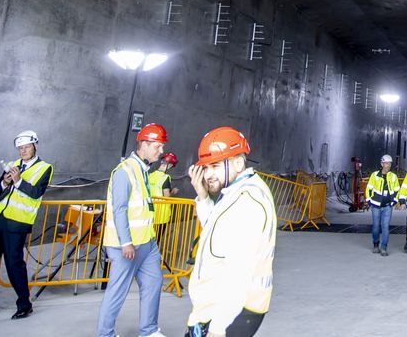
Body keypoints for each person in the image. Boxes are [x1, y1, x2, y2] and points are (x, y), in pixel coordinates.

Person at [184, 126, 276, 337]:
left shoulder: (248, 201)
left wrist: (218, 330)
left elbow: (238, 274)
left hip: (231, 313)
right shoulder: (236, 192)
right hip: (213, 309)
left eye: (215, 165)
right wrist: (203, 197)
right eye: (205, 168)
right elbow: (217, 235)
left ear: (237, 162)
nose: (208, 175)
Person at [0, 129, 54, 321]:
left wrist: (18, 181)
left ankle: (24, 304)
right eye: (20, 148)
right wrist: (5, 183)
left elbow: (35, 193)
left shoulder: (45, 168)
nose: (23, 151)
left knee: (14, 264)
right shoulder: (13, 165)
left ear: (35, 146)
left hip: (17, 223)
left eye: (26, 147)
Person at [97, 122, 169, 337]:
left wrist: (149, 241)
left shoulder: (143, 170)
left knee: (153, 284)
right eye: (158, 146)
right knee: (117, 292)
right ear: (145, 144)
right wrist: (126, 242)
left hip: (147, 243)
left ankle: (149, 330)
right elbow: (119, 209)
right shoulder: (124, 171)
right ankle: (105, 334)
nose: (162, 151)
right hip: (126, 246)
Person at [365, 154, 398, 256]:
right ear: (382, 164)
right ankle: (376, 244)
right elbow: (369, 188)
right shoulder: (374, 175)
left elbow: (397, 190)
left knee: (385, 226)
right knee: (375, 226)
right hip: (376, 205)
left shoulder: (393, 177)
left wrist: (394, 201)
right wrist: (369, 200)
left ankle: (384, 247)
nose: (388, 165)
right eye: (386, 163)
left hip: (388, 205)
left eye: (389, 163)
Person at [150, 152, 179, 258]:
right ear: (170, 165)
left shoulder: (151, 175)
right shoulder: (165, 177)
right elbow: (166, 196)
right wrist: (173, 192)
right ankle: (153, 257)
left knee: (149, 238)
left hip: (150, 212)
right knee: (156, 239)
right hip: (161, 215)